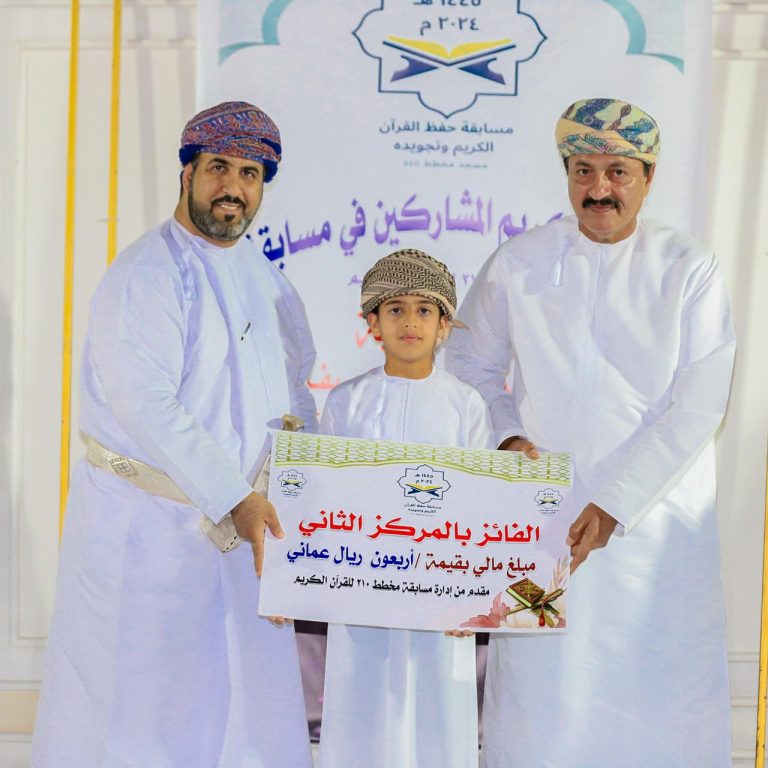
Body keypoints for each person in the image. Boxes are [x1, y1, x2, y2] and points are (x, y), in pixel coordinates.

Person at [445, 98, 736, 767]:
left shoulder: (689, 268)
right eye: (583, 171)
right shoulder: (520, 261)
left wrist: (614, 504)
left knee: (653, 697)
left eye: (618, 172)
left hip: (653, 527)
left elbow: (698, 404)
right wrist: (506, 437)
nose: (599, 189)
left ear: (649, 177)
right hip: (542, 519)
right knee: (541, 702)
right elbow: (468, 364)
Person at [32, 102, 317, 768]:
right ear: (187, 172)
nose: (233, 187)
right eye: (219, 167)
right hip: (148, 538)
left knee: (245, 715)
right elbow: (146, 404)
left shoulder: (271, 282)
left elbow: (299, 397)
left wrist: (305, 494)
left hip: (249, 537)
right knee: (140, 720)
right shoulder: (146, 274)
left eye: (250, 174)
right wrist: (234, 497)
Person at [317, 248, 494, 768]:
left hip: (442, 605)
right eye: (395, 309)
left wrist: (471, 598)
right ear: (372, 322)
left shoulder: (466, 405)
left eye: (424, 310)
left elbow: (482, 510)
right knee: (362, 716)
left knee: (438, 720)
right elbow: (321, 503)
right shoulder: (346, 402)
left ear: (444, 325)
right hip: (360, 600)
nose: (410, 322)